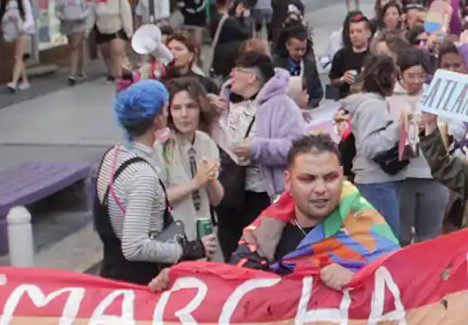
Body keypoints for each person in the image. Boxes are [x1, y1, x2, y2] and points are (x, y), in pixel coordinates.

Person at [230, 134, 398, 288]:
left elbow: (400, 281)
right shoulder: (269, 224)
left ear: (341, 175)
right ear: (288, 181)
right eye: (308, 179)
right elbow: (238, 276)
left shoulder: (366, 225)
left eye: (330, 178)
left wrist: (360, 280)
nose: (320, 189)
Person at [93, 80, 215, 286]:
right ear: (158, 119)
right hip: (139, 282)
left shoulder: (113, 154)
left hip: (113, 271)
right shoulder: (143, 176)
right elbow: (134, 247)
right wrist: (192, 249)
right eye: (167, 109)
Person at [214, 49, 308, 252]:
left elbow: (299, 147)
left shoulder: (281, 105)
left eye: (237, 70)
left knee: (260, 255)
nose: (231, 74)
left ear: (251, 77)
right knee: (232, 255)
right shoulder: (226, 102)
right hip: (230, 193)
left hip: (263, 195)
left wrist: (258, 148)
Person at [339, 56, 409, 237]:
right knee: (386, 239)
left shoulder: (372, 103)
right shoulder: (372, 106)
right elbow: (369, 146)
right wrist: (398, 128)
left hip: (379, 180)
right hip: (377, 181)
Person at [388, 47, 451, 244]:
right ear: (400, 72)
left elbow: (455, 126)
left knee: (430, 236)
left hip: (432, 173)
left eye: (421, 75)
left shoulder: (435, 95)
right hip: (402, 175)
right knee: (400, 235)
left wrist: (437, 127)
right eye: (411, 76)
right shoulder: (389, 96)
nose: (416, 81)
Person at [156, 77, 224, 251]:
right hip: (173, 237)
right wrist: (195, 183)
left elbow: (216, 200)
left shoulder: (205, 141)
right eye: (177, 108)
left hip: (203, 231)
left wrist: (210, 179)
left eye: (190, 106)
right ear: (169, 112)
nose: (184, 114)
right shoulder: (161, 146)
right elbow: (158, 199)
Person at [0, 0, 34, 92]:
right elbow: (0, 19)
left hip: (23, 32)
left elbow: (29, 18)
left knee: (17, 57)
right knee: (19, 57)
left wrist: (23, 28)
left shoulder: (23, 1)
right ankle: (24, 80)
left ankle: (13, 82)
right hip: (11, 33)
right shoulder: (4, 4)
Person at [275, 24, 323, 108]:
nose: (300, 53)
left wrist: (308, 106)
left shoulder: (310, 65)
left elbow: (318, 93)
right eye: (297, 49)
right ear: (287, 46)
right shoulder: (276, 65)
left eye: (303, 49)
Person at [94, 0, 134, 82]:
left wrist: (129, 32)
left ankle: (119, 74)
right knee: (106, 54)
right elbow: (92, 15)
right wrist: (87, 29)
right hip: (102, 30)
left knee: (117, 51)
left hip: (117, 29)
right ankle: (112, 71)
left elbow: (127, 17)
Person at [55, 0, 95, 83]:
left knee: (75, 46)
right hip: (67, 23)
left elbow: (89, 8)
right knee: (75, 46)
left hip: (79, 23)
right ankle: (80, 69)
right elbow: (57, 8)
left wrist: (82, 16)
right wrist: (62, 16)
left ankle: (72, 73)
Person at [209, 0, 253, 77]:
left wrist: (237, 17)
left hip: (219, 56)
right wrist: (246, 18)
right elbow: (247, 34)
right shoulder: (228, 21)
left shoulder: (215, 17)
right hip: (230, 58)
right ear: (228, 2)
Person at [328, 13, 373, 99]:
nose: (355, 35)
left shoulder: (375, 55)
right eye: (352, 32)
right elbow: (331, 90)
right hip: (345, 102)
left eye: (359, 31)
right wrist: (342, 79)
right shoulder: (340, 55)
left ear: (368, 33)